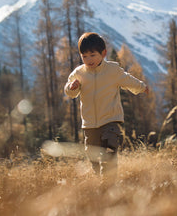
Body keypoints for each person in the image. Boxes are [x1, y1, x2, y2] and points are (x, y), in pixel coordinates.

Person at [64, 32, 151, 180]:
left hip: (110, 120)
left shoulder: (112, 70)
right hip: (90, 124)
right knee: (93, 155)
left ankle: (109, 181)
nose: (88, 59)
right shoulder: (79, 73)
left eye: (92, 55)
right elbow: (70, 92)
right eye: (84, 56)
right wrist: (72, 87)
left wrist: (142, 87)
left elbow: (128, 80)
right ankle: (99, 180)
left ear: (103, 53)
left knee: (109, 149)